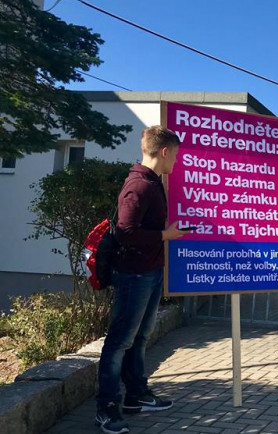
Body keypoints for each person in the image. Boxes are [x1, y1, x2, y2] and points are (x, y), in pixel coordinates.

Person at [96, 126, 188, 434]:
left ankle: (136, 396)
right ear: (164, 152)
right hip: (134, 274)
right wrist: (166, 235)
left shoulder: (153, 183)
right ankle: (107, 408)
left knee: (139, 338)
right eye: (174, 155)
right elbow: (125, 231)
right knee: (119, 342)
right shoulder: (139, 186)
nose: (176, 162)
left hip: (148, 272)